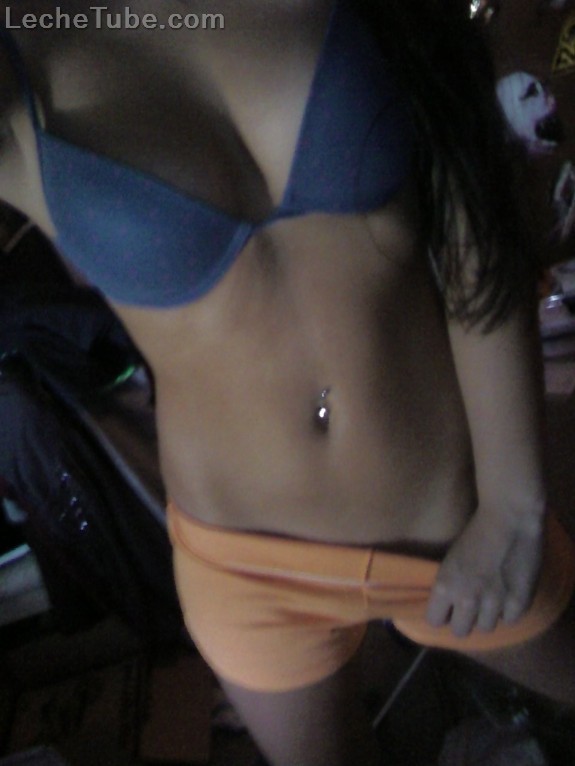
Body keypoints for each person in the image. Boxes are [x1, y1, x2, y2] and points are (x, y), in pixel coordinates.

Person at [0, 1, 573, 764]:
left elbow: (473, 213)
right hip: (249, 569)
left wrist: (513, 504)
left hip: (460, 512)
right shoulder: (24, 53)